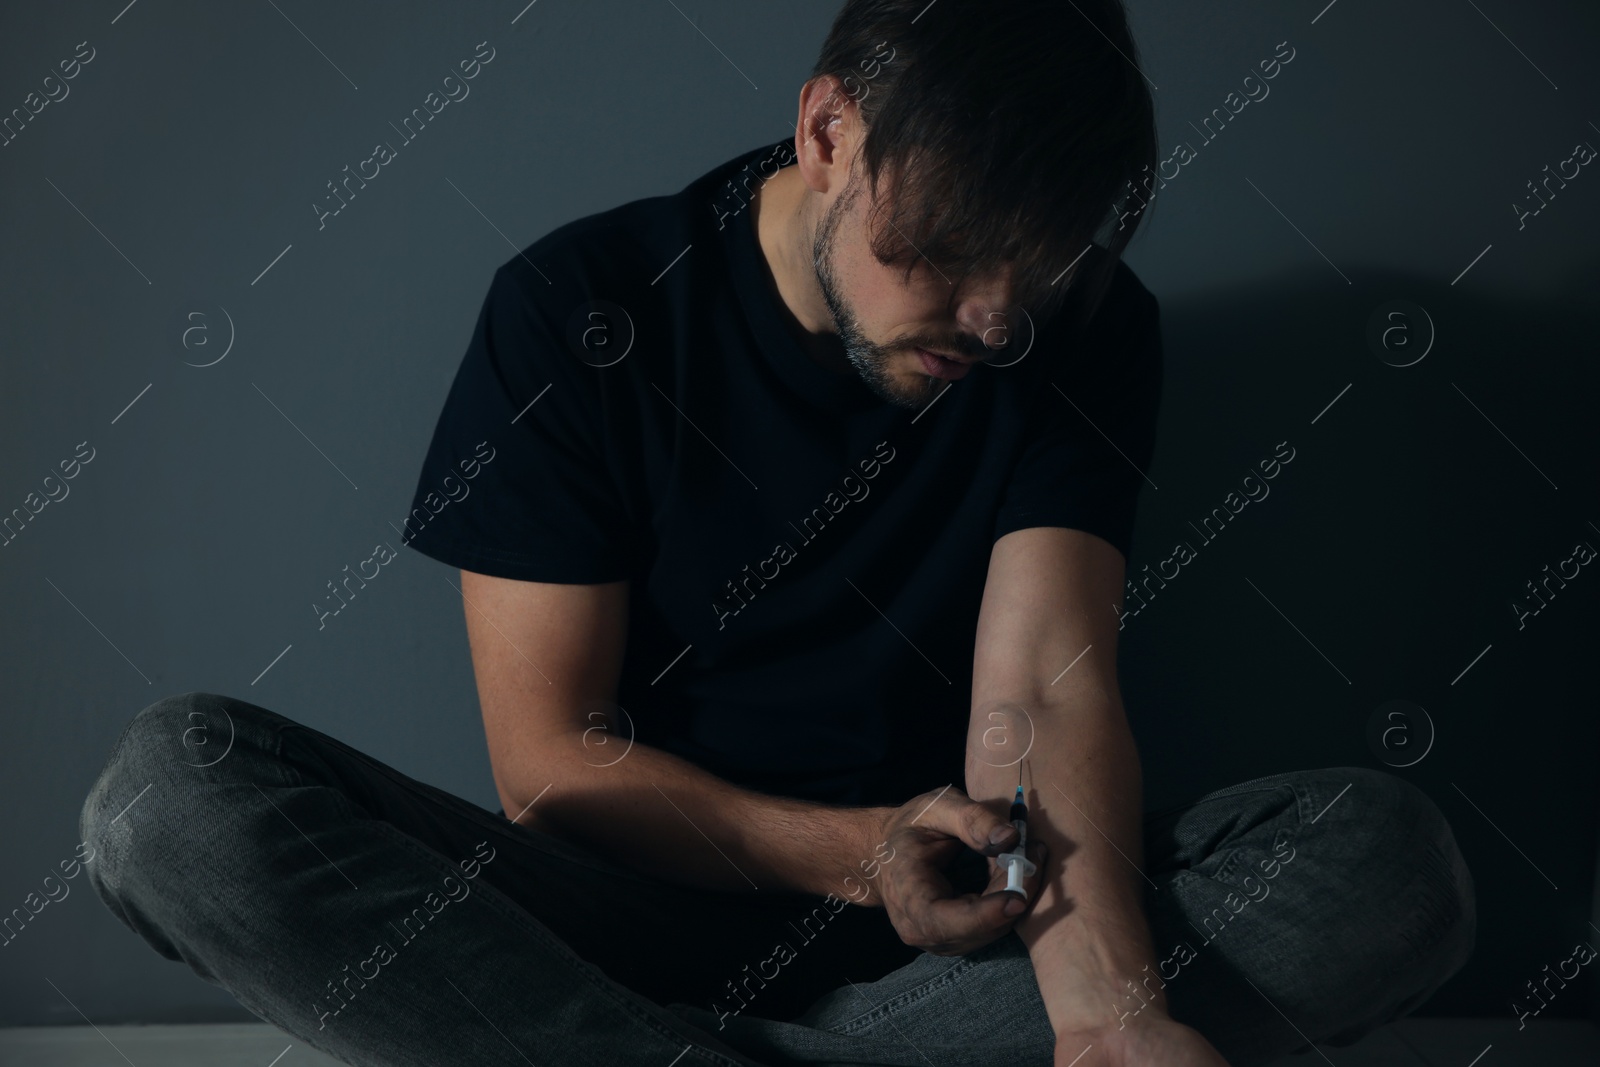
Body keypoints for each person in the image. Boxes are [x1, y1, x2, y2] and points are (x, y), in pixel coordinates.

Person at [80, 2, 1476, 1065]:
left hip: (961, 921)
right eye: (942, 255)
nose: (991, 323)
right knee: (170, 800)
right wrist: (866, 852)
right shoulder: (581, 305)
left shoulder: (1079, 336)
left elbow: (1042, 689)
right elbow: (551, 768)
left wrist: (1108, 1022)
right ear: (828, 133)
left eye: (1035, 275)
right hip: (612, 918)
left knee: (1386, 864)